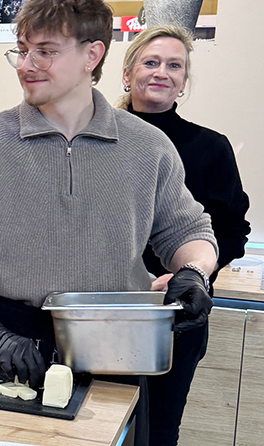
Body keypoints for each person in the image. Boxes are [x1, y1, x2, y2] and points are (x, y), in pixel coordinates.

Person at [0, 0, 218, 446]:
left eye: (45, 51)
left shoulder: (148, 146)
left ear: (92, 54)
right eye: (21, 50)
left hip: (115, 346)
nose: (26, 64)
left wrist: (194, 271)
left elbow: (189, 230)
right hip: (12, 343)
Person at [117, 25, 250, 446]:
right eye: (151, 62)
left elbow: (233, 231)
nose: (162, 72)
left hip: (176, 314)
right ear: (127, 74)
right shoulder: (96, 139)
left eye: (174, 65)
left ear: (184, 82)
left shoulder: (210, 147)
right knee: (89, 416)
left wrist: (192, 273)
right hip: (103, 307)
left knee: (158, 428)